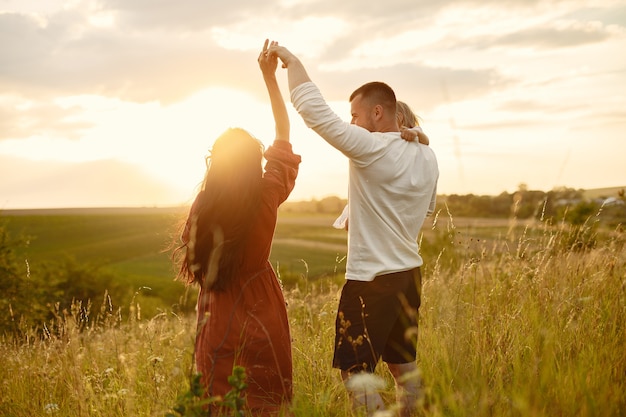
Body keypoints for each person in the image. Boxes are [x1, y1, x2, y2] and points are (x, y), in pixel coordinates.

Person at [268, 41, 439, 416]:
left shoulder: (372, 149)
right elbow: (425, 209)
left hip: (371, 281)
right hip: (409, 274)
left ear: (378, 113)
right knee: (402, 366)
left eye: (355, 116)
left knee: (355, 374)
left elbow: (316, 114)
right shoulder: (427, 155)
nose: (351, 124)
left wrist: (293, 62)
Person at [175, 40, 301, 416]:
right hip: (261, 310)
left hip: (218, 317)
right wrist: (269, 79)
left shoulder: (204, 205)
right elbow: (283, 131)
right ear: (253, 163)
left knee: (220, 403)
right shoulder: (266, 193)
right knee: (266, 402)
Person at [333, 100, 430, 230]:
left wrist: (415, 134)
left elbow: (425, 141)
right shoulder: (380, 144)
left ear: (399, 119)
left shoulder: (410, 135)